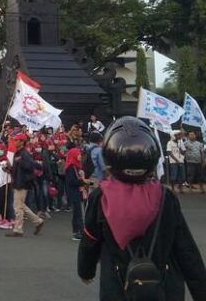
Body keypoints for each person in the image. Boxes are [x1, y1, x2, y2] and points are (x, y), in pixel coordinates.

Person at [78, 117, 206, 300]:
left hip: (118, 288)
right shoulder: (165, 196)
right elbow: (186, 249)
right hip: (164, 288)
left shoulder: (101, 197)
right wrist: (200, 291)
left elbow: (90, 240)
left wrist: (86, 271)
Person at [6, 136, 45, 237]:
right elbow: (17, 169)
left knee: (18, 207)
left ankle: (18, 230)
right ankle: (38, 221)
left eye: (16, 140)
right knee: (21, 205)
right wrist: (9, 169)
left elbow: (30, 166)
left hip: (22, 182)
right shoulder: (18, 153)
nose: (14, 142)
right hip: (19, 181)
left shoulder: (24, 154)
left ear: (22, 142)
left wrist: (20, 162)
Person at [64, 147, 90, 241]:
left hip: (76, 191)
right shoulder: (71, 167)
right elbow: (71, 181)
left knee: (77, 213)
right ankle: (79, 231)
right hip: (74, 192)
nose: (80, 156)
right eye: (78, 154)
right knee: (78, 213)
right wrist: (83, 182)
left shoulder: (76, 166)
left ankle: (77, 231)